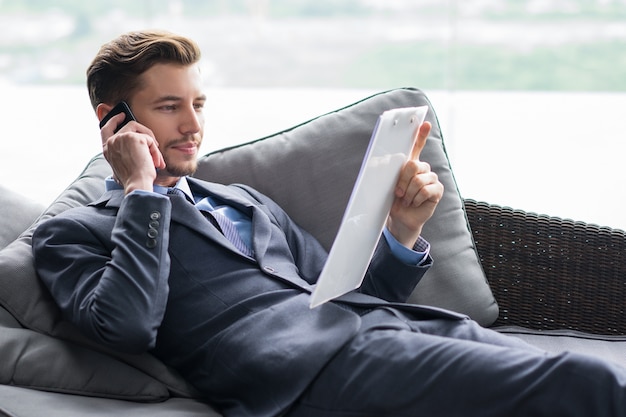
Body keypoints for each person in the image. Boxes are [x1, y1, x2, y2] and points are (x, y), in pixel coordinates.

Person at [32, 30, 626, 417]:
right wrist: (140, 190)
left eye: (198, 104)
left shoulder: (242, 199)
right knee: (586, 385)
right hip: (302, 372)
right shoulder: (75, 232)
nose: (193, 126)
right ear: (114, 119)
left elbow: (343, 292)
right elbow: (128, 324)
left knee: (581, 381)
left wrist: (401, 230)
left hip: (393, 332)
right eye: (168, 107)